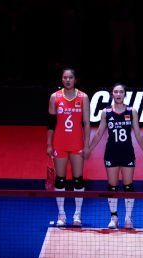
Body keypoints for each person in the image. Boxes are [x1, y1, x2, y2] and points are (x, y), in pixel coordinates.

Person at [86, 83, 143, 229]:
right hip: (111, 153)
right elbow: (99, 133)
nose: (119, 94)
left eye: (121, 92)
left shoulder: (132, 111)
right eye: (116, 92)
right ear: (112, 94)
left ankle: (128, 218)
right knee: (112, 186)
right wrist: (89, 149)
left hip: (127, 152)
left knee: (128, 186)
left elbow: (138, 134)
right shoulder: (106, 112)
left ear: (125, 94)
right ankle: (114, 218)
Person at [47, 68, 90, 227]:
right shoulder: (55, 97)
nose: (67, 80)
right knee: (60, 179)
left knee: (78, 180)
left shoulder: (83, 97)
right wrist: (49, 144)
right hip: (60, 143)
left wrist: (87, 145)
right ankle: (62, 214)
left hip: (77, 144)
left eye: (70, 77)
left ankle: (77, 214)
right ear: (62, 79)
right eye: (65, 77)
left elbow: (86, 123)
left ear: (75, 79)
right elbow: (51, 123)